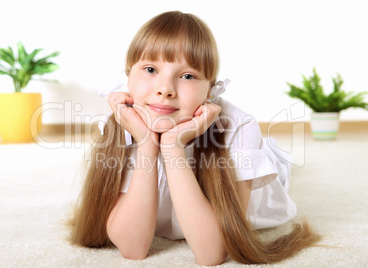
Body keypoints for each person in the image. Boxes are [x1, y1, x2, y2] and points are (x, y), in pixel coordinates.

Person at [69, 11, 320, 266]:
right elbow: (133, 248)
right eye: (150, 69)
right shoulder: (123, 118)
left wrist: (173, 146)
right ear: (128, 78)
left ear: (210, 90)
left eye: (188, 76)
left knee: (277, 159)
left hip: (261, 172)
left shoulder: (239, 126)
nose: (165, 89)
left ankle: (274, 153)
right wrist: (147, 143)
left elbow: (212, 254)